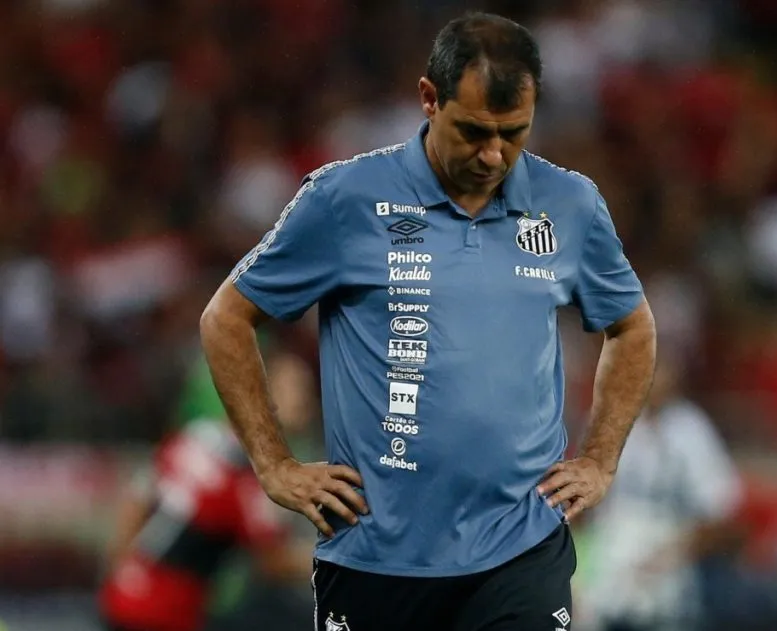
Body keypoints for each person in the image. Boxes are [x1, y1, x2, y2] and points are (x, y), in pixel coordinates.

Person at [198, 11, 657, 631]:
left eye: (513, 133)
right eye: (473, 131)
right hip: (374, 553)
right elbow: (227, 317)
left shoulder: (569, 203)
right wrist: (274, 464)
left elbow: (632, 327)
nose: (493, 155)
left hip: (519, 548)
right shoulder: (344, 198)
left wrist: (599, 459)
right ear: (428, 99)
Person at [97, 351, 317, 631]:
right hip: (164, 615)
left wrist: (122, 571)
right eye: (297, 389)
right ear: (264, 394)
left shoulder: (199, 435)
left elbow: (138, 499)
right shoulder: (251, 474)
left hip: (122, 599)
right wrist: (340, 557)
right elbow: (272, 562)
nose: (307, 402)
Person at [581, 357, 744, 631]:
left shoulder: (691, 430)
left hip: (669, 548)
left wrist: (671, 556)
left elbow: (721, 512)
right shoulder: (608, 418)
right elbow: (581, 504)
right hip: (608, 546)